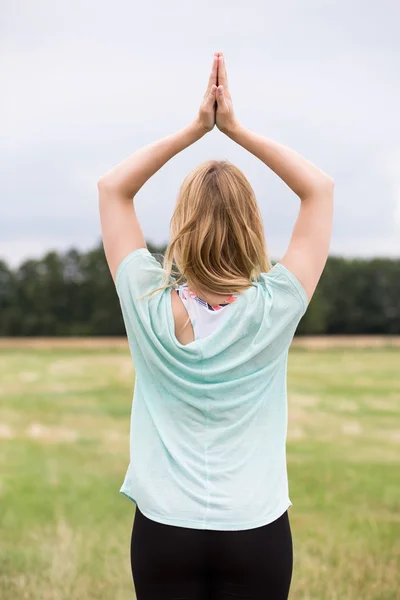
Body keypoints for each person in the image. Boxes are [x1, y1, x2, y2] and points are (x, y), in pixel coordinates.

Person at [98, 51, 334, 600]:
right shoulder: (273, 307)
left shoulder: (145, 300)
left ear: (180, 226)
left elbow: (113, 188)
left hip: (163, 530)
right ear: (253, 227)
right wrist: (235, 130)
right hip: (256, 529)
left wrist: (195, 130)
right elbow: (318, 190)